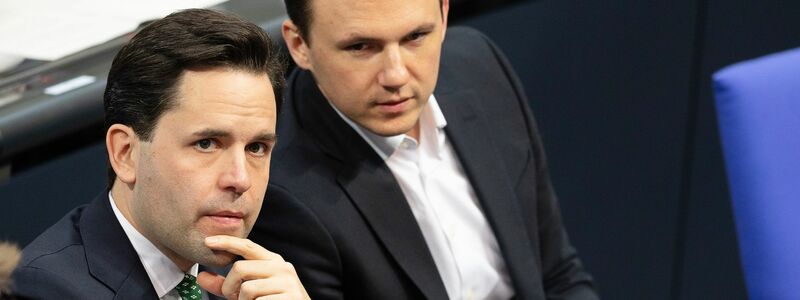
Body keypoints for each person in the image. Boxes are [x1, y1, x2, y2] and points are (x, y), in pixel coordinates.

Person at [249, 0, 599, 299]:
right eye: (360, 47)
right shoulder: (277, 188)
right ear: (299, 45)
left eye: (415, 37)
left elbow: (557, 274)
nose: (396, 75)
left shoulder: (481, 67)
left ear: (444, 14)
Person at [11, 9, 309, 300]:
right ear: (125, 153)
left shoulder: (242, 270)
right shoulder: (45, 289)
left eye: (256, 148)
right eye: (206, 143)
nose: (240, 179)